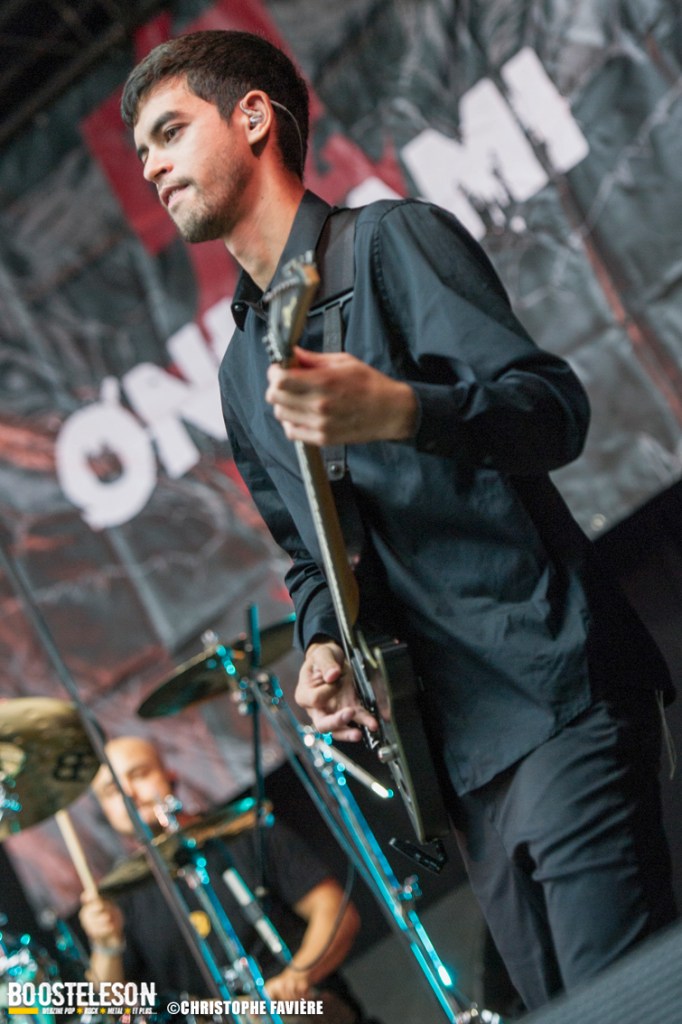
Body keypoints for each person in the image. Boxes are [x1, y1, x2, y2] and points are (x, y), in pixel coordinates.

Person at [120, 30, 678, 1012]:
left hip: (554, 693)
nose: (152, 166)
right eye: (140, 152)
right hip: (455, 759)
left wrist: (403, 409)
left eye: (170, 132)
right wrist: (321, 644)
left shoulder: (390, 242)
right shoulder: (241, 370)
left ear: (252, 117)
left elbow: (552, 410)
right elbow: (306, 555)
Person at [79, 736, 365, 1021]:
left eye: (139, 774)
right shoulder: (119, 896)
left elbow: (335, 911)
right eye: (112, 791)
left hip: (297, 1006)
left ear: (170, 775)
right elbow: (110, 1007)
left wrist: (297, 977)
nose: (128, 793)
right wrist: (105, 945)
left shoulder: (244, 830)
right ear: (105, 810)